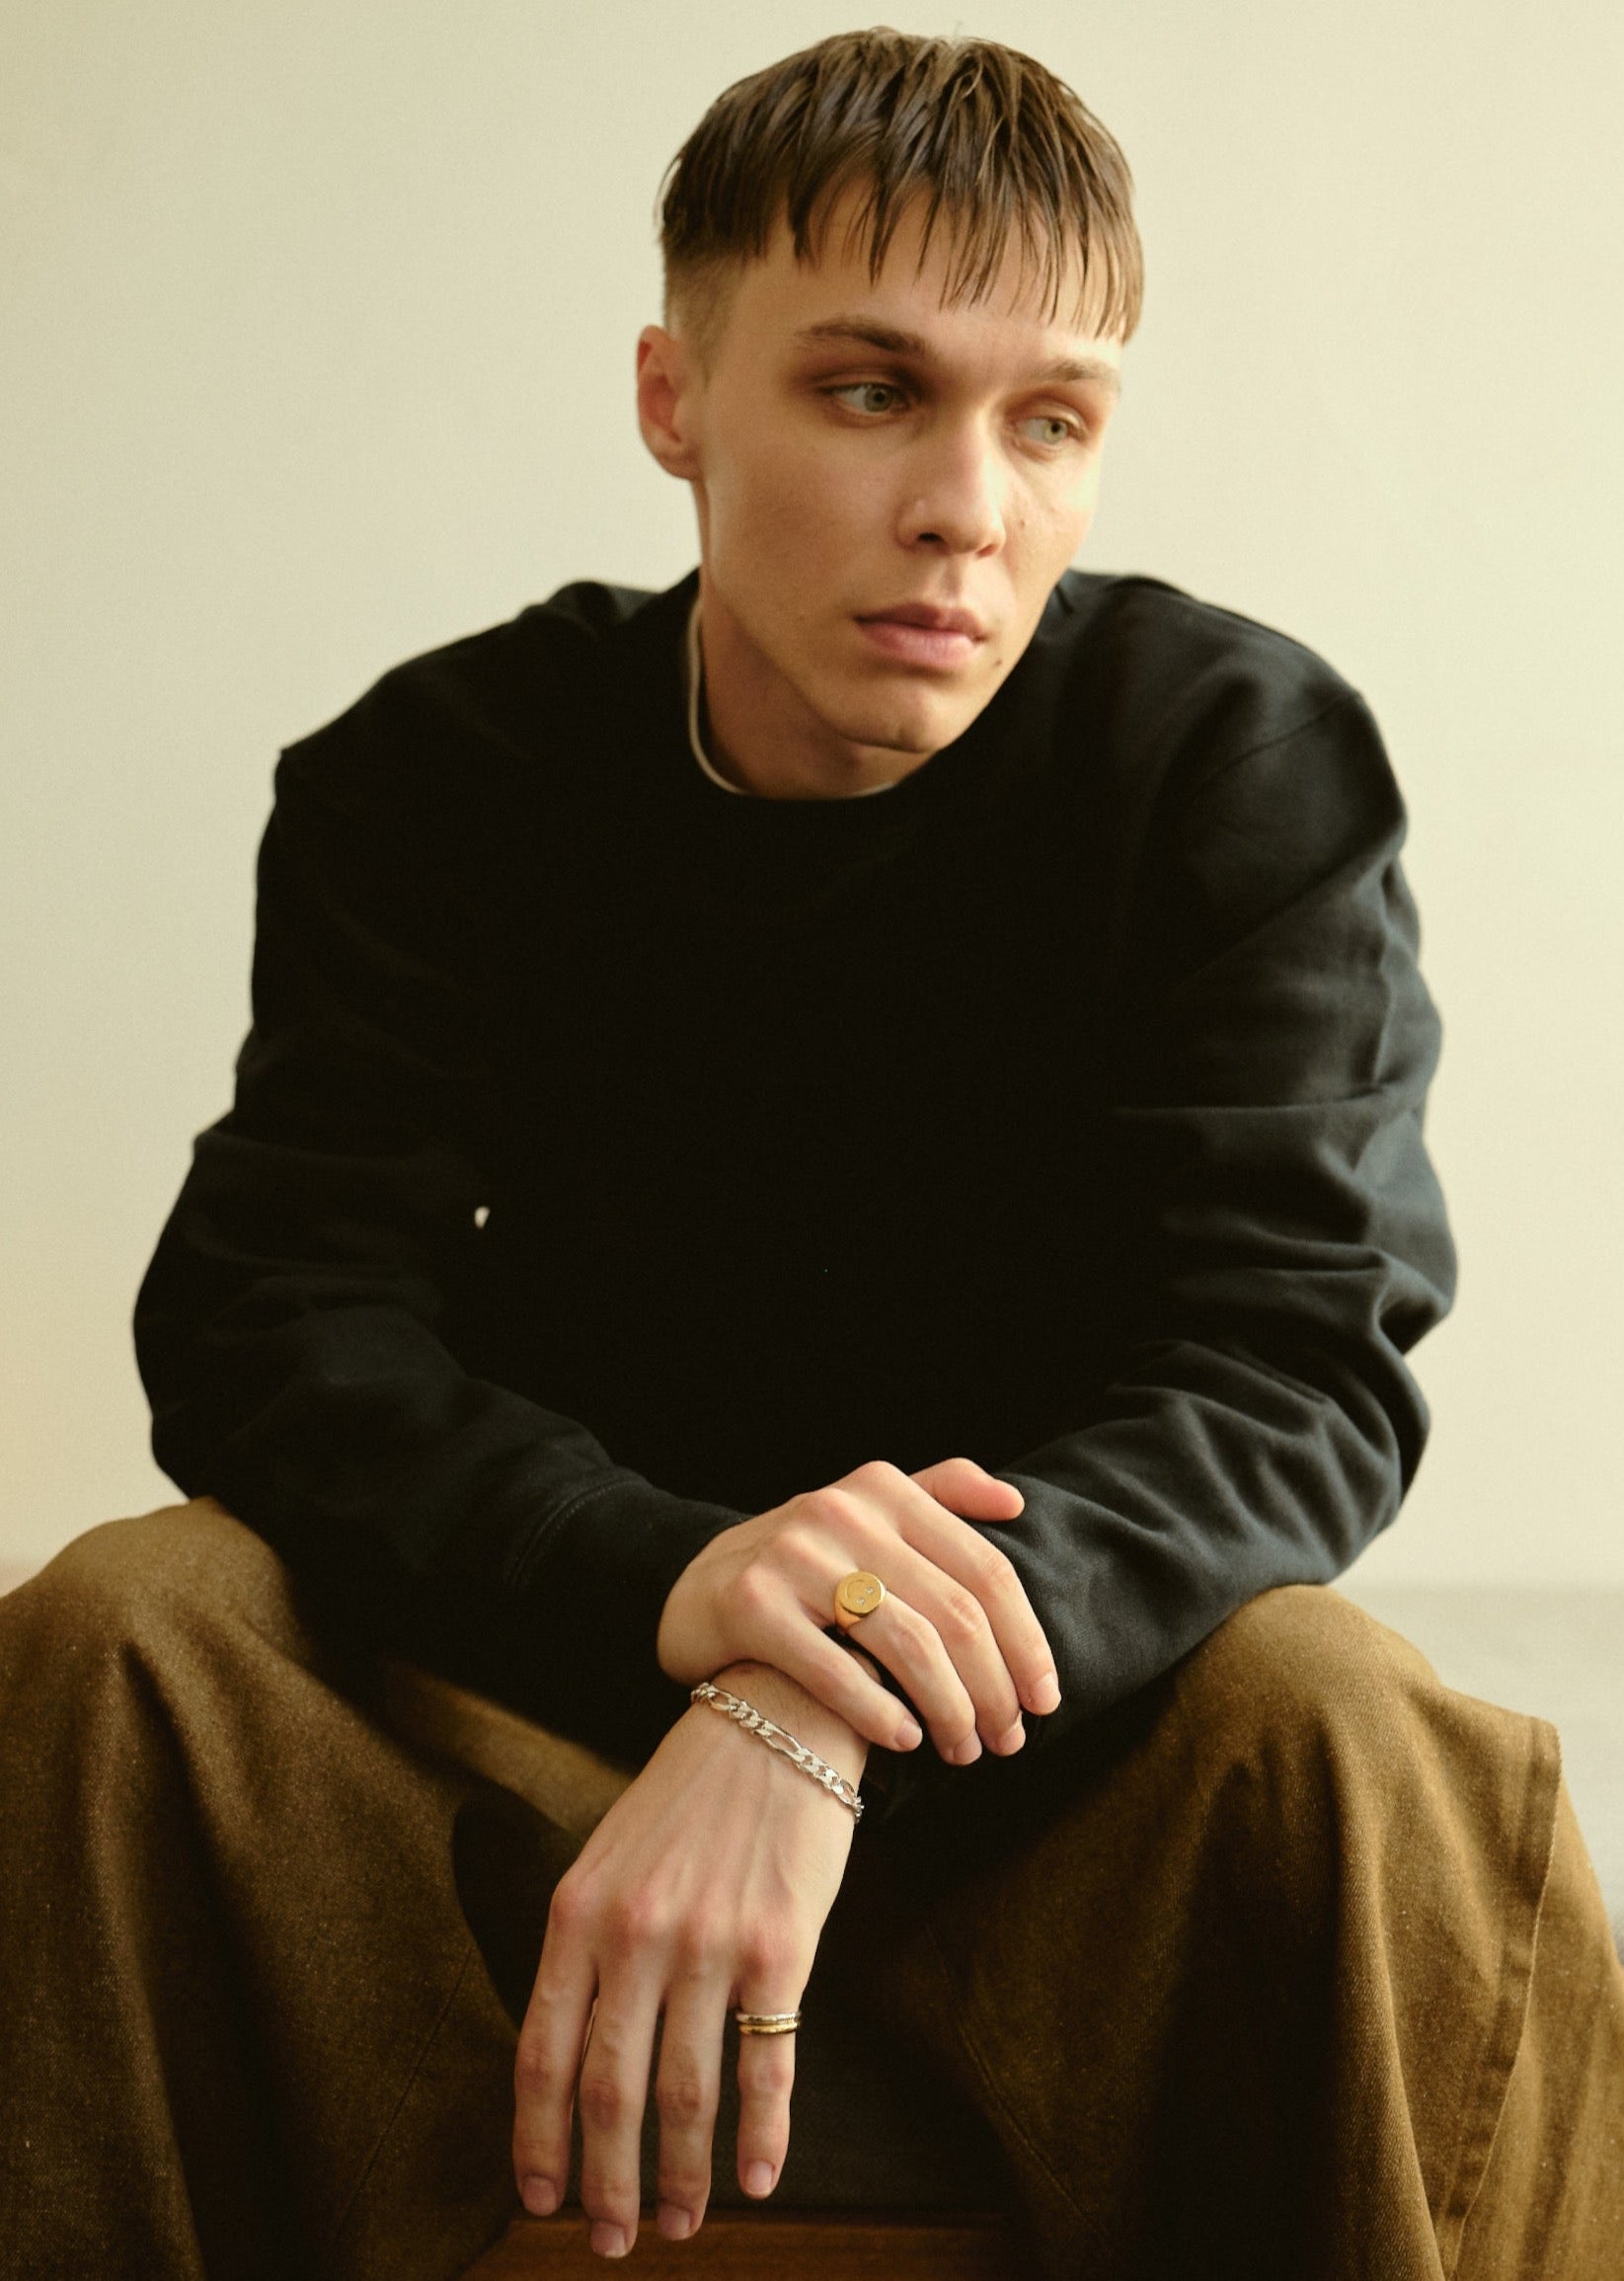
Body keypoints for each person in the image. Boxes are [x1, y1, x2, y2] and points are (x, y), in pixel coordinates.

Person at [3, 28, 1621, 2280]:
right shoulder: (441, 776)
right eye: (872, 391)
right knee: (123, 1625)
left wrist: (808, 1682)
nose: (967, 504)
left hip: (1058, 1781)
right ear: (673, 397)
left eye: (1048, 421)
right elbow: (276, 1320)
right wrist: (675, 1586)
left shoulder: (1226, 760)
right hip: (532, 1736)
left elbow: (1290, 1369)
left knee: (1342, 1716)